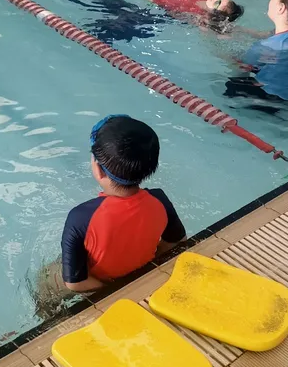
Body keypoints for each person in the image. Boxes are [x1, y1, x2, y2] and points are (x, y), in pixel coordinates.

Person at [30, 115, 186, 317]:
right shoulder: (160, 201)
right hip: (135, 271)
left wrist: (109, 289)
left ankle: (47, 320)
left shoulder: (81, 217)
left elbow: (75, 282)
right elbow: (177, 242)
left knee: (45, 280)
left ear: (97, 169)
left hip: (96, 281)